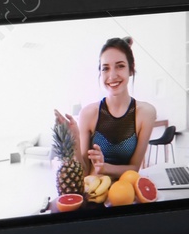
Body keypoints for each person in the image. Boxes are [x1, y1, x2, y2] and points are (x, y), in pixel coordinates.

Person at [55, 37, 156, 178]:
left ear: (131, 69)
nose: (112, 75)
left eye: (120, 66)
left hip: (125, 193)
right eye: (105, 68)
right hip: (94, 193)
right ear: (100, 73)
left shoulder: (146, 113)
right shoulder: (88, 114)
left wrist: (104, 168)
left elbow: (134, 168)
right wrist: (75, 138)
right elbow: (84, 171)